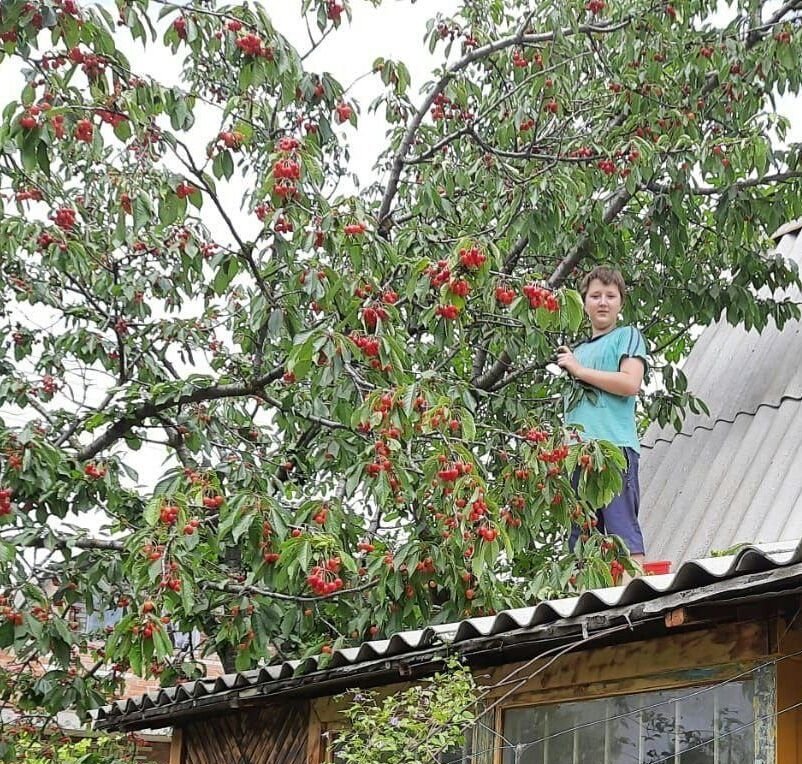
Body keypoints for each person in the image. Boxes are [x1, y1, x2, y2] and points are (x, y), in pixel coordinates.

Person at [556, 266, 648, 569]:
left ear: (621, 302)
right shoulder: (576, 352)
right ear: (584, 302)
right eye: (595, 296)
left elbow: (630, 383)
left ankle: (634, 592)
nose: (603, 302)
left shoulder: (627, 336)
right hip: (577, 456)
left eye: (611, 295)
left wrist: (579, 370)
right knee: (581, 542)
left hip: (613, 450)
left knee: (622, 533)